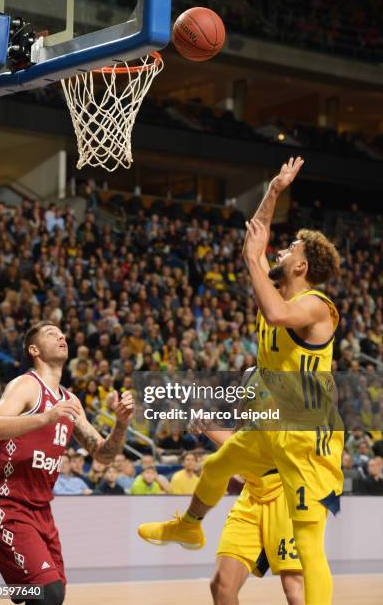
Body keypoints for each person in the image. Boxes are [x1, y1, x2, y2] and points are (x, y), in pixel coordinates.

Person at [138, 157, 344, 605]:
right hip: (274, 424)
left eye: (289, 250)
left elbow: (275, 308)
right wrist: (273, 191)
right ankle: (189, 526)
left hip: (308, 434)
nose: (279, 251)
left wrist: (253, 257)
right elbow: (257, 237)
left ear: (302, 267)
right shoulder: (280, 287)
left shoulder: (315, 306)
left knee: (308, 550)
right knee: (217, 465)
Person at [0, 321, 134, 605]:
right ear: (34, 350)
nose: (61, 336)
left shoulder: (71, 401)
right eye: (51, 334)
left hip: (42, 512)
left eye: (62, 333)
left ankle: (3, 590)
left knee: (54, 594)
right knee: (47, 593)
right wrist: (46, 418)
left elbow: (102, 454)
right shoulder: (26, 385)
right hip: (10, 505)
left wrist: (121, 425)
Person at [194, 418, 303, 605]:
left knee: (293, 586)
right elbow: (239, 438)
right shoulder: (250, 398)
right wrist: (204, 423)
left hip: (285, 495)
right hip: (252, 496)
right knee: (221, 586)